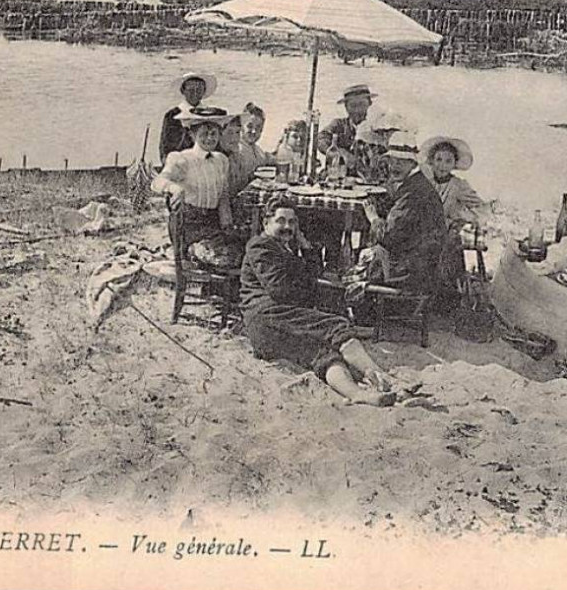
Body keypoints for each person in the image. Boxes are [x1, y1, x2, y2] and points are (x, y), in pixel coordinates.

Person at [240, 206, 406, 406]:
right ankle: (385, 378)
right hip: (268, 315)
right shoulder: (261, 246)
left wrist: (305, 245)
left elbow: (314, 271)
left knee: (324, 353)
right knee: (336, 325)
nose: (287, 227)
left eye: (292, 222)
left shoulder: (283, 248)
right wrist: (310, 301)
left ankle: (359, 394)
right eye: (281, 221)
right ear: (266, 223)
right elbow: (280, 290)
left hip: (268, 330)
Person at [362, 129, 463, 306]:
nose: (395, 166)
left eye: (403, 161)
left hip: (411, 271)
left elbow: (389, 237)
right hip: (422, 265)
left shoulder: (414, 192)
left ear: (413, 162)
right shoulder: (416, 183)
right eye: (393, 160)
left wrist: (374, 218)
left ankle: (363, 312)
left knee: (362, 261)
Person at [151, 106, 241, 267]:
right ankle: (194, 261)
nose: (209, 138)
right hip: (190, 227)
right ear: (192, 135)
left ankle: (222, 290)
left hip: (214, 225)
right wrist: (175, 189)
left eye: (213, 133)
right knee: (225, 259)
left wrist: (228, 226)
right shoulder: (181, 159)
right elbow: (157, 182)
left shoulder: (221, 160)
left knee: (245, 249)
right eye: (204, 133)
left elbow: (223, 197)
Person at [420, 136, 485, 226]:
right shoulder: (425, 182)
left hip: (446, 234)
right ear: (432, 161)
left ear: (454, 164)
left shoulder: (458, 185)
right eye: (439, 159)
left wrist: (460, 221)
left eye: (448, 161)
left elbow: (480, 208)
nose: (442, 165)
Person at [159, 71, 218, 162]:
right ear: (183, 91)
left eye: (198, 89)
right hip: (181, 162)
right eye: (190, 90)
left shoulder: (211, 114)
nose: (195, 93)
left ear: (204, 91)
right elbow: (165, 148)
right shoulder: (172, 116)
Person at [316, 83, 377, 155]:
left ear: (369, 104)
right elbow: (321, 138)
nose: (357, 110)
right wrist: (340, 153)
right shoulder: (339, 125)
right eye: (352, 106)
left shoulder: (377, 127)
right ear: (346, 107)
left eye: (361, 104)